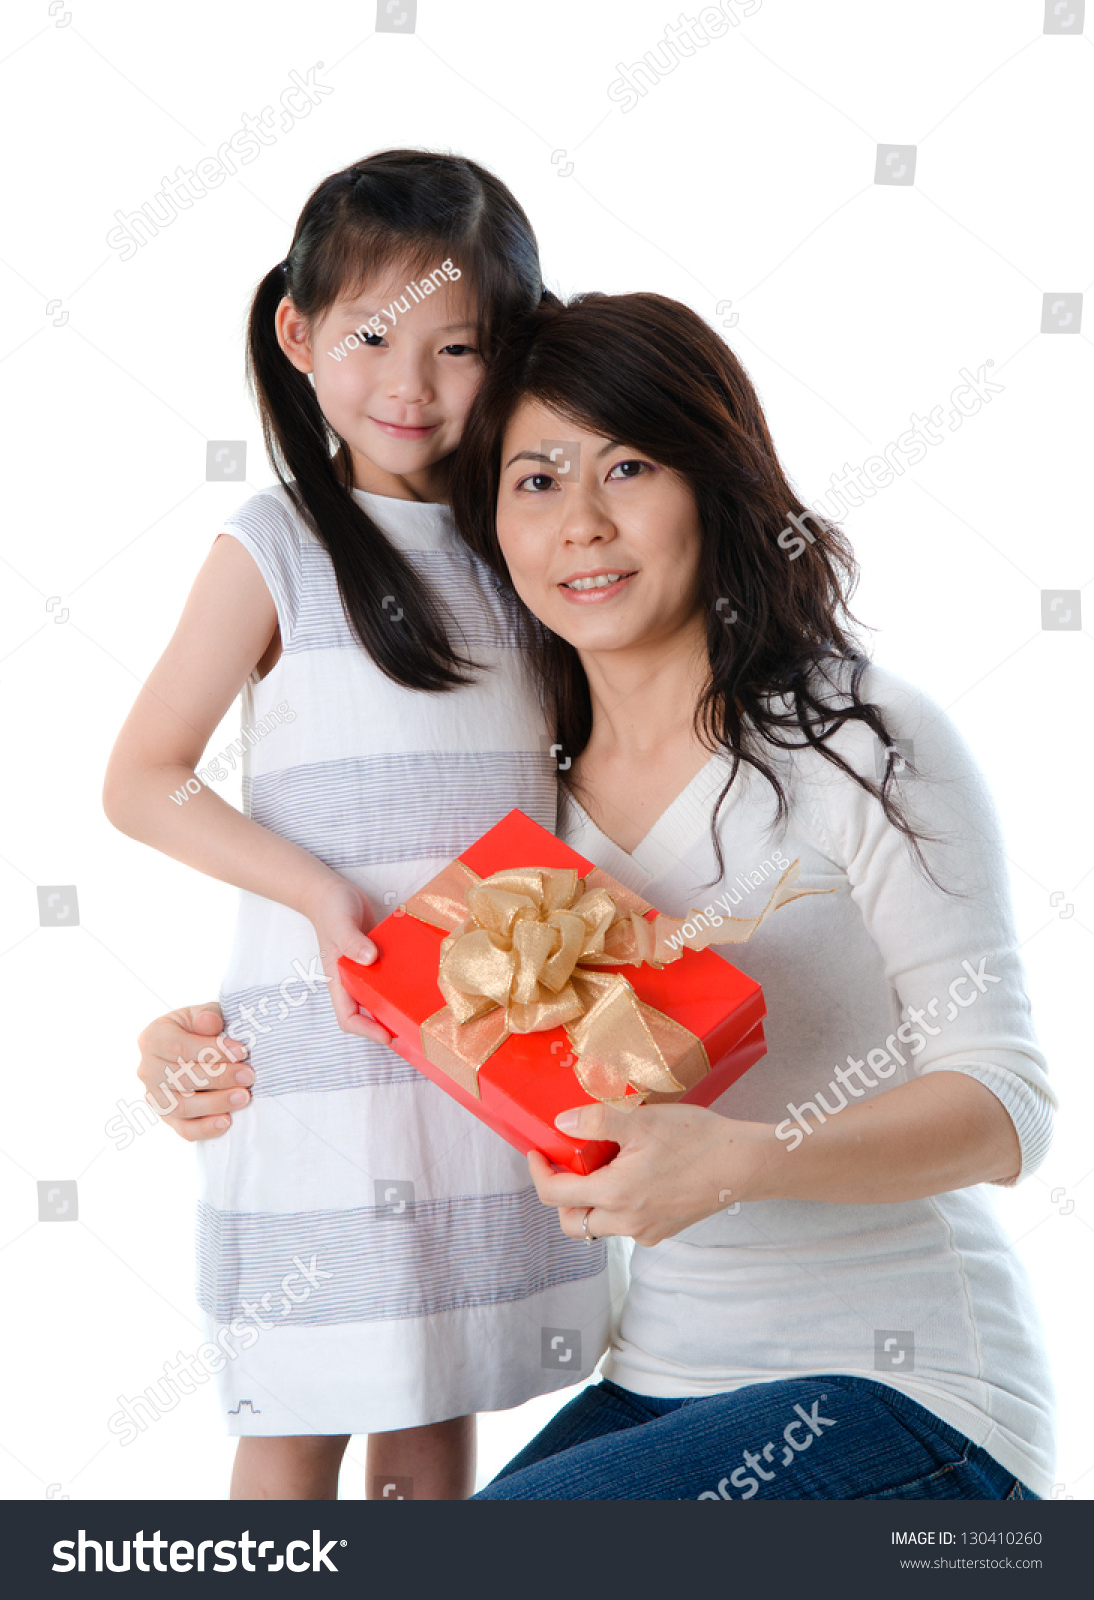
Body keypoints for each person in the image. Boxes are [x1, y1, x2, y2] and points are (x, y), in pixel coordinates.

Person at [136, 290, 1055, 1501]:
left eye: (627, 467)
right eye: (535, 480)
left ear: (712, 484)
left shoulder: (858, 738)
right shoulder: (526, 806)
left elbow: (1008, 1107)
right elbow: (409, 1009)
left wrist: (740, 1157)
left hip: (914, 1398)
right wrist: (204, 1045)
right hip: (661, 1380)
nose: (582, 524)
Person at [102, 152, 618, 1503]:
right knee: (305, 1399)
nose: (411, 383)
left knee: (433, 1397)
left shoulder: (527, 548)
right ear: (297, 334)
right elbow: (142, 777)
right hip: (329, 1038)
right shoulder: (274, 544)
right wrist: (321, 896)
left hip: (484, 1047)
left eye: (457, 348)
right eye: (371, 337)